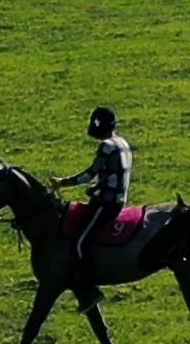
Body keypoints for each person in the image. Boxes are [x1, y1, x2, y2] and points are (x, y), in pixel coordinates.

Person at [50, 106, 133, 287]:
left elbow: (89, 174)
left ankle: (87, 284)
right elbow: (114, 175)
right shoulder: (123, 143)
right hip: (118, 199)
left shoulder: (106, 146)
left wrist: (62, 182)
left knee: (79, 242)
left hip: (106, 203)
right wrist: (96, 189)